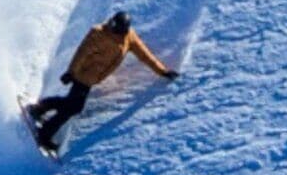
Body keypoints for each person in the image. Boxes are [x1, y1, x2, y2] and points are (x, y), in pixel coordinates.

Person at [28, 10, 177, 152]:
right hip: (83, 74)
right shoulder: (98, 33)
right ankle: (45, 133)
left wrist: (163, 71)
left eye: (115, 26)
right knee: (74, 107)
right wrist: (71, 72)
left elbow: (144, 55)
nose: (110, 26)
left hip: (93, 78)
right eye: (111, 23)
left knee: (71, 105)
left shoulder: (129, 37)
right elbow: (82, 53)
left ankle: (40, 108)